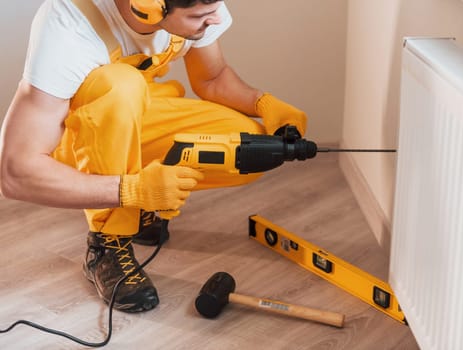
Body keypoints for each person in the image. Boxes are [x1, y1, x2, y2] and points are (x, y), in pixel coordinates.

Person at [0, 0, 307, 313]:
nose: (216, 20)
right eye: (200, 16)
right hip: (74, 143)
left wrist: (264, 104)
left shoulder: (194, 6)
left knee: (247, 148)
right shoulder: (69, 23)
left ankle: (139, 205)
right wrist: (131, 190)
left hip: (134, 114)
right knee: (120, 84)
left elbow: (212, 78)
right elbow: (16, 172)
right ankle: (108, 242)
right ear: (147, 7)